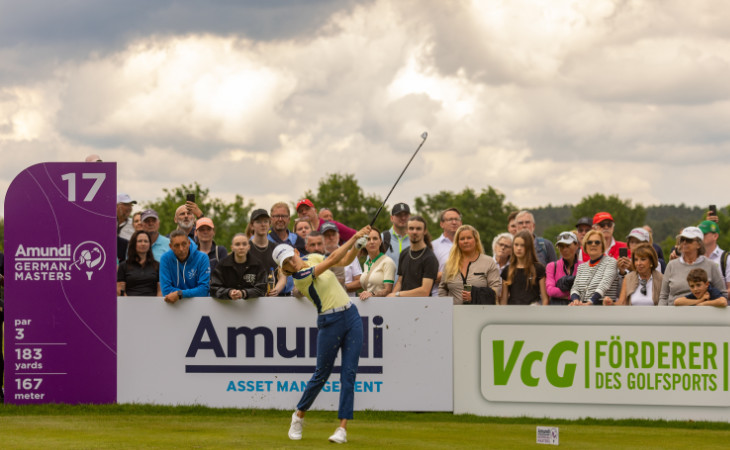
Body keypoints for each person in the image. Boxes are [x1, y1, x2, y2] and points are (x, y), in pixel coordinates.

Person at [275, 225, 371, 444]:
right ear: (284, 269)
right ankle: (298, 415)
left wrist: (356, 247)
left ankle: (342, 429)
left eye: (290, 258)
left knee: (349, 374)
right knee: (322, 374)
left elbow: (343, 261)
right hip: (329, 322)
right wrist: (354, 235)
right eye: (286, 264)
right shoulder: (300, 276)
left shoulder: (314, 257)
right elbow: (332, 259)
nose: (291, 263)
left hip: (351, 315)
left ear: (296, 253)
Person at [659, 227, 727, 306]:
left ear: (699, 244)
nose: (684, 243)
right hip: (674, 314)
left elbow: (723, 295)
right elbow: (664, 296)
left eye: (689, 240)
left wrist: (704, 303)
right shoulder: (671, 265)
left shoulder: (710, 265)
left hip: (704, 314)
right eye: (682, 239)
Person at [439, 225, 501, 305]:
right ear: (457, 242)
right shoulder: (449, 264)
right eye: (462, 239)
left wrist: (476, 296)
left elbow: (496, 289)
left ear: (476, 240)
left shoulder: (488, 262)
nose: (465, 241)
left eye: (469, 238)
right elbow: (442, 289)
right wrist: (446, 306)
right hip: (454, 314)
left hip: (481, 313)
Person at [387, 216, 439, 297]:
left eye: (418, 229)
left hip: (422, 307)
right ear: (407, 230)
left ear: (424, 231)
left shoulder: (430, 258)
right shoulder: (404, 253)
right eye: (411, 228)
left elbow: (425, 291)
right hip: (403, 305)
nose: (414, 232)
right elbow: (400, 282)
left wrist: (397, 295)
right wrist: (392, 297)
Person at [210, 234, 267, 300]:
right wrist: (229, 293)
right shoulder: (222, 265)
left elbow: (262, 289)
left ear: (248, 247)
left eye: (244, 244)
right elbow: (214, 288)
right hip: (227, 307)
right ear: (232, 247)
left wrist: (244, 293)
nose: (241, 247)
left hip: (252, 308)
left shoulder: (258, 265)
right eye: (237, 244)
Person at [159, 229, 211, 303]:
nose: (181, 249)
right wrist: (192, 292)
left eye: (184, 244)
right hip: (174, 306)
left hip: (199, 304)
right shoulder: (165, 258)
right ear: (171, 246)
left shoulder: (202, 258)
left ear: (189, 243)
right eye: (176, 245)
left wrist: (180, 294)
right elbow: (166, 290)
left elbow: (203, 290)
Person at [247, 209, 289, 296]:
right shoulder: (245, 248)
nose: (263, 225)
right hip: (251, 300)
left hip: (273, 300)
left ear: (269, 224)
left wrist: (276, 290)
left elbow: (283, 276)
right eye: (258, 222)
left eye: (266, 221)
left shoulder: (277, 248)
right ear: (252, 225)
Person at [569, 230, 618, 305]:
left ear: (602, 246)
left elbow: (604, 285)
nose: (593, 244)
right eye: (589, 242)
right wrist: (575, 300)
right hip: (583, 308)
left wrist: (590, 302)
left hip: (603, 307)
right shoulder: (581, 267)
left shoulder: (611, 262)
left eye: (597, 242)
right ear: (585, 246)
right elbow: (575, 288)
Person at [500, 230, 548, 305]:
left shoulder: (539, 268)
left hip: (533, 313)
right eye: (516, 245)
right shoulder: (507, 270)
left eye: (523, 245)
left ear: (529, 247)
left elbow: (545, 299)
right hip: (512, 313)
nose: (519, 248)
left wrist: (541, 314)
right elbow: (504, 299)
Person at [322, 222, 362, 296]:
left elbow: (359, 282)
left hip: (347, 302)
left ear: (338, 236)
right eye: (327, 235)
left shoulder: (350, 254)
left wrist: (341, 287)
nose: (331, 238)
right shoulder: (317, 256)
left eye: (333, 234)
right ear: (321, 238)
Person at [117, 230, 161, 297]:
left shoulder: (157, 265)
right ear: (134, 244)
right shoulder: (123, 266)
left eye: (146, 241)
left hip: (152, 304)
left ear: (149, 245)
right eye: (139, 241)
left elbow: (160, 290)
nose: (143, 244)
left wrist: (156, 306)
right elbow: (120, 290)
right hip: (129, 304)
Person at [545, 232, 583, 305]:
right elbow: (550, 291)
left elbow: (585, 291)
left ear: (577, 245)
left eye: (568, 246)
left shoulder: (583, 266)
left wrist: (561, 293)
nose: (564, 250)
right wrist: (573, 295)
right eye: (561, 246)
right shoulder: (552, 266)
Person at [431, 208, 463, 295]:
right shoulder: (432, 246)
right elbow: (429, 277)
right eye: (450, 220)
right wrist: (456, 272)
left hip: (463, 297)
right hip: (439, 296)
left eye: (457, 219)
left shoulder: (469, 245)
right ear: (442, 224)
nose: (454, 222)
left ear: (461, 223)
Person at [358, 227, 396, 299]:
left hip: (382, 306)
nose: (372, 242)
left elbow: (388, 290)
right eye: (368, 239)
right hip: (368, 306)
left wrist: (371, 294)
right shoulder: (366, 263)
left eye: (375, 238)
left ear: (380, 241)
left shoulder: (387, 262)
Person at [698, 220, 730, 288]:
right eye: (699, 234)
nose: (700, 237)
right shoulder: (695, 258)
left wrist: (713, 296)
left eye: (704, 234)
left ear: (715, 236)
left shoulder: (726, 258)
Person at [382, 203, 411, 275]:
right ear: (391, 218)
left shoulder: (416, 239)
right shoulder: (381, 238)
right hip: (385, 286)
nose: (403, 218)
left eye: (406, 215)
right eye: (399, 215)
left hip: (413, 286)